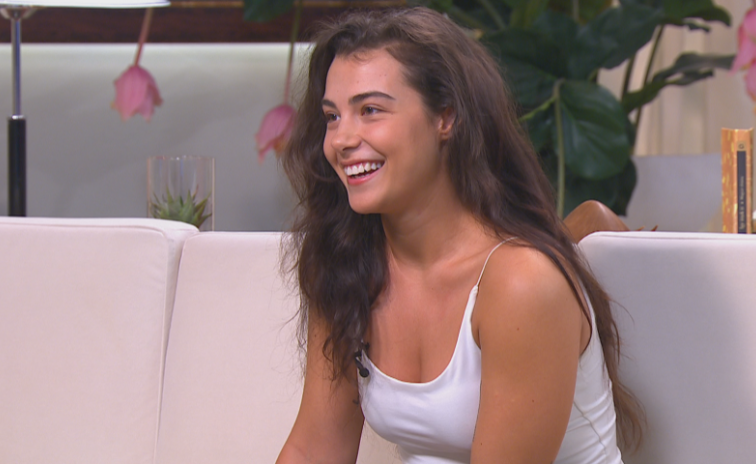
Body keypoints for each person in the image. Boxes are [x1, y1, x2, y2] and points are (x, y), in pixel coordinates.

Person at [277, 7, 642, 464]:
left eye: (370, 110)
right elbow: (314, 448)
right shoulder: (347, 264)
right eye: (332, 116)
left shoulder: (522, 282)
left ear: (445, 117)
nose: (341, 140)